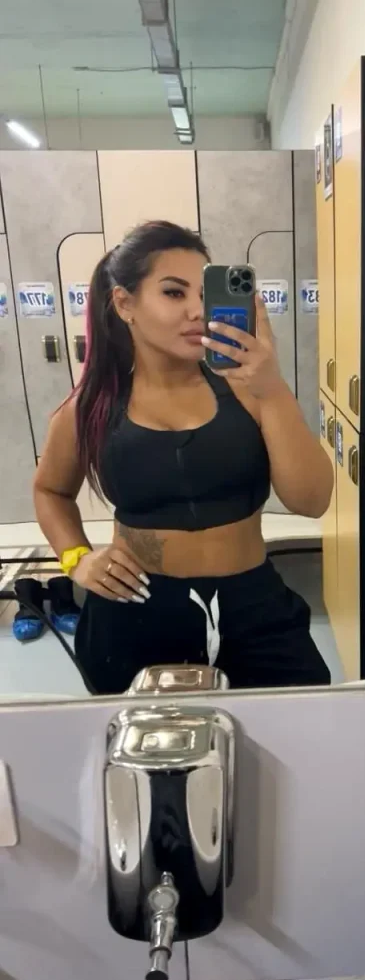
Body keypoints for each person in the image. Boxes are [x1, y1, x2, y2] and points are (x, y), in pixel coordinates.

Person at [33, 221, 333, 694]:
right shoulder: (91, 408)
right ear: (124, 304)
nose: (197, 310)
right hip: (133, 609)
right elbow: (50, 490)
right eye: (174, 293)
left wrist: (272, 388)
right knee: (145, 739)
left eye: (204, 294)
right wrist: (77, 559)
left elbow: (311, 501)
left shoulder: (250, 391)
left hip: (251, 603)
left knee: (297, 724)